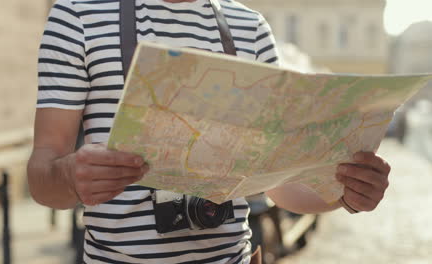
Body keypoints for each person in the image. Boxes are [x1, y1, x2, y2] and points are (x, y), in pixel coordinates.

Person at [27, 0, 391, 263]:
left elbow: (277, 185)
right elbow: (42, 175)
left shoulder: (251, 27)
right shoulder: (77, 15)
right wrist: (70, 176)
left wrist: (346, 193)